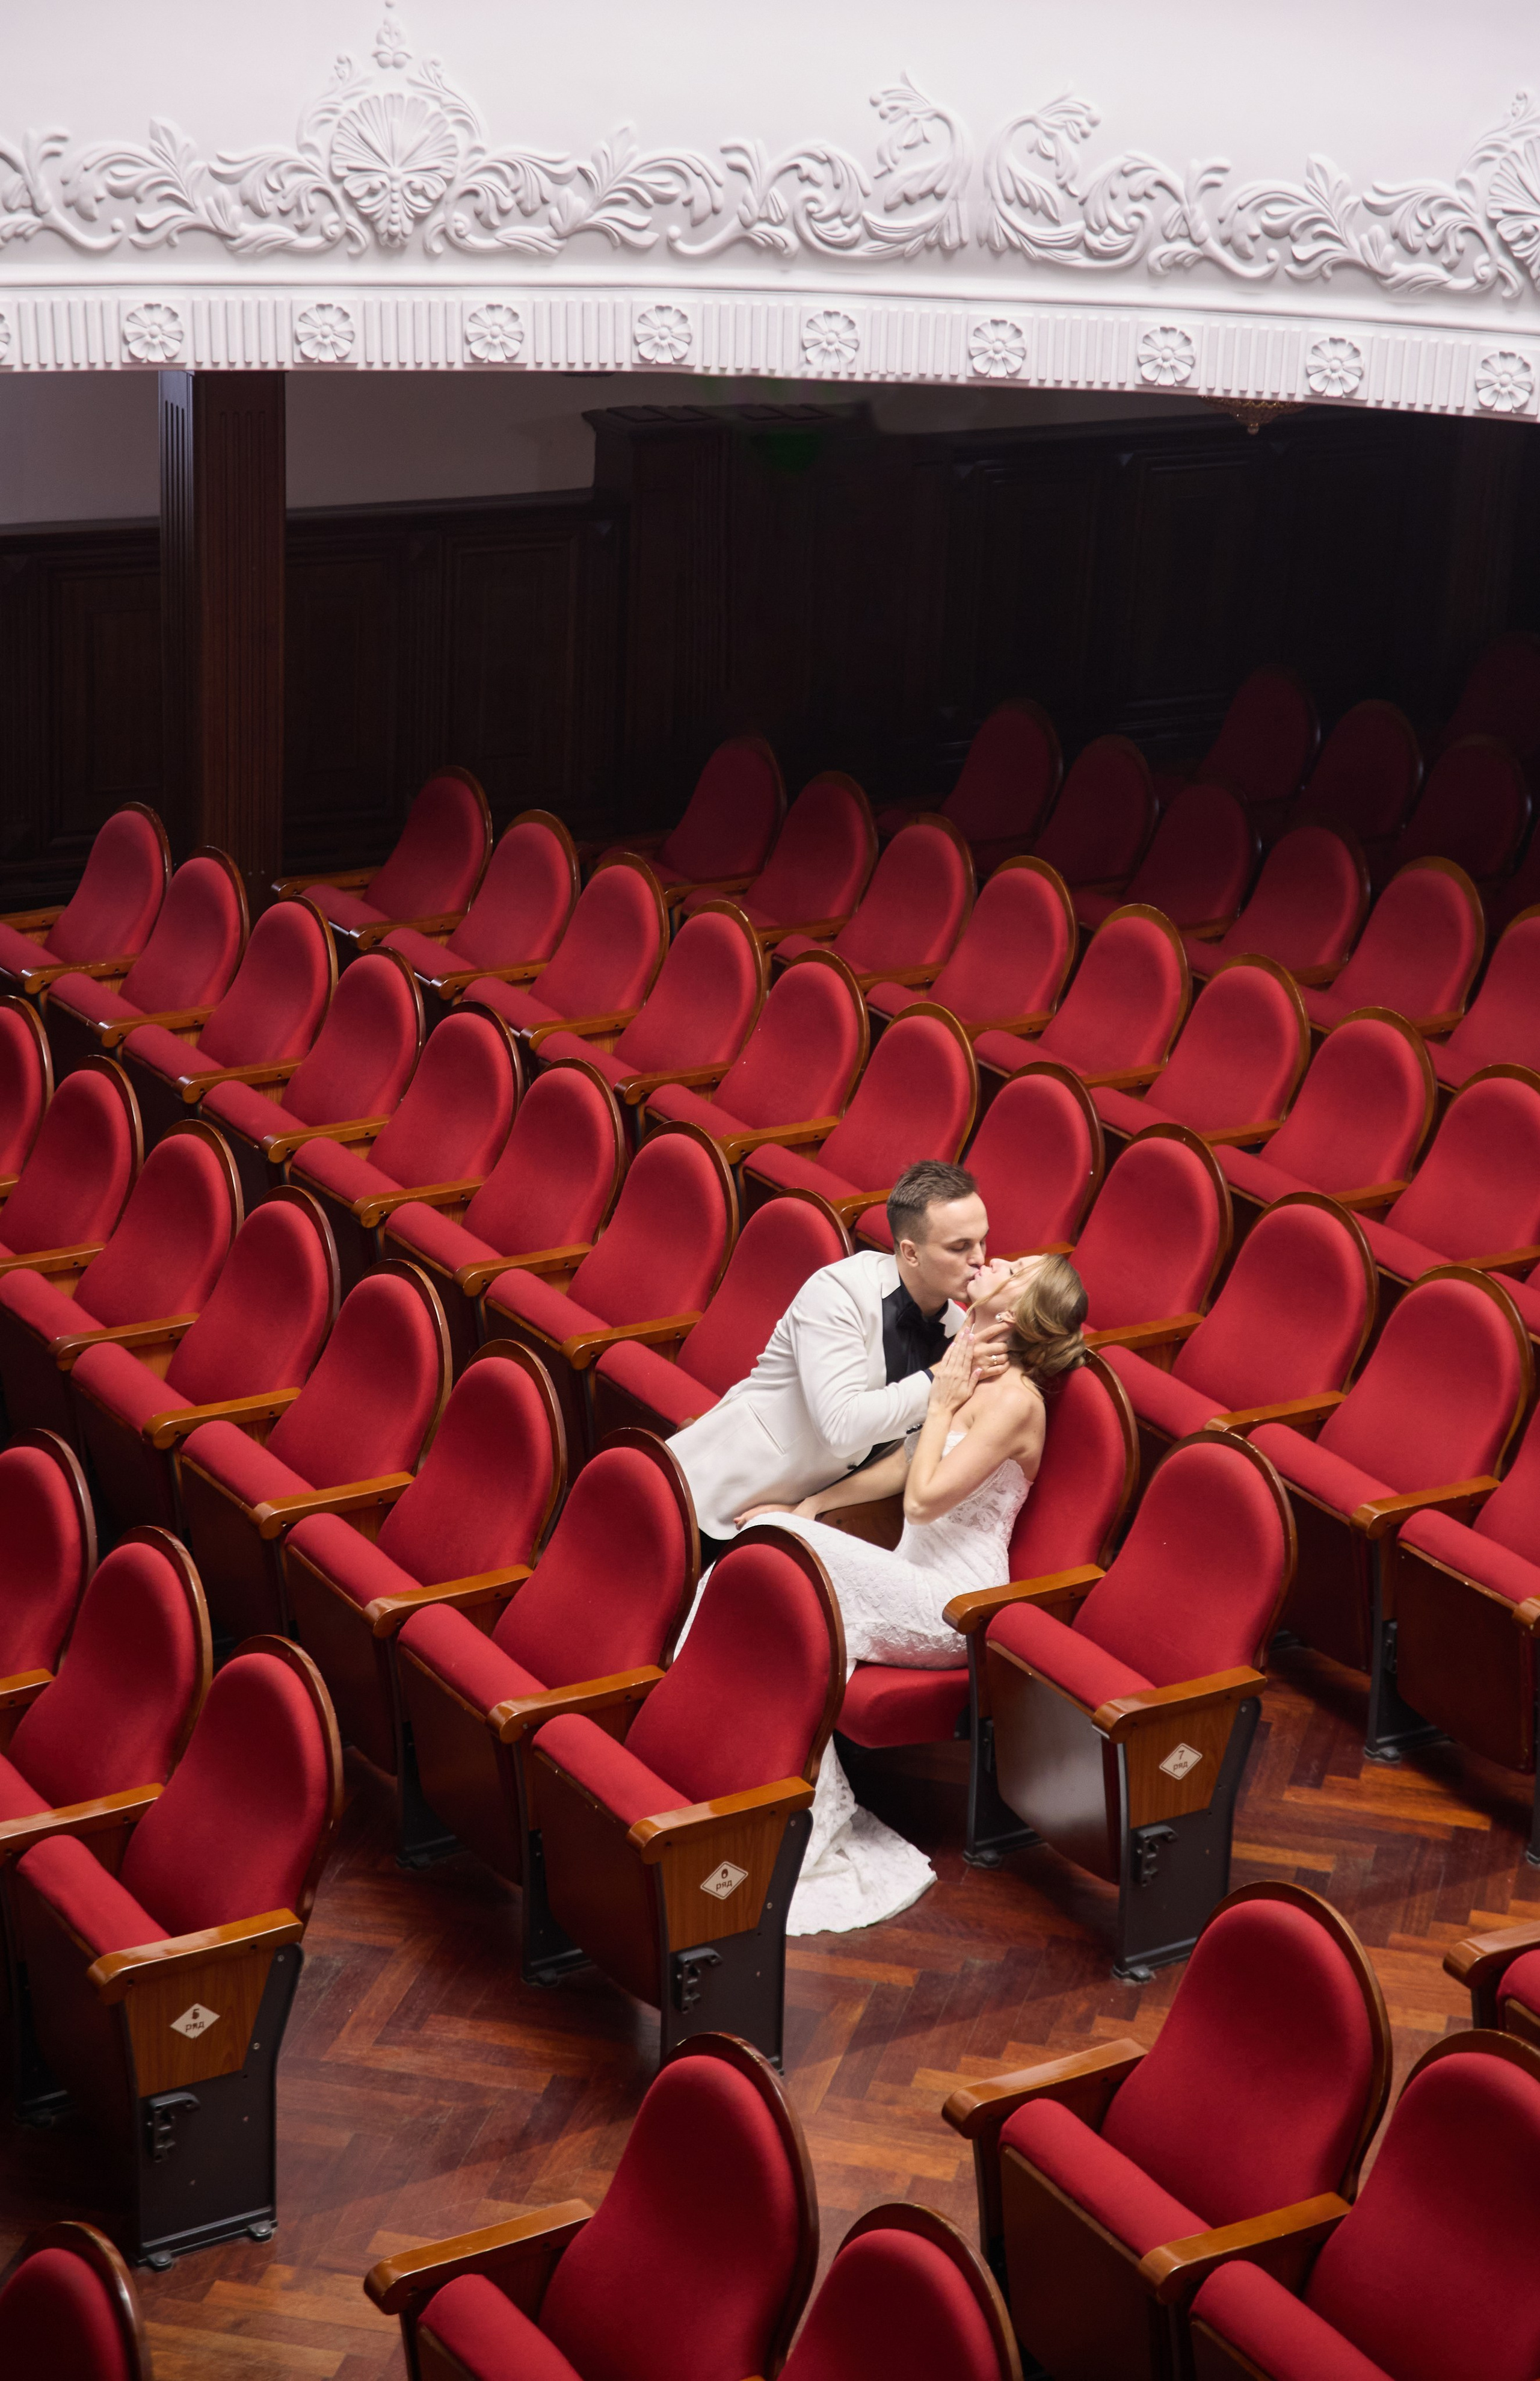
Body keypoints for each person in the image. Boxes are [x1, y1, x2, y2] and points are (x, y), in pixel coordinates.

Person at [741, 1252, 1089, 1935]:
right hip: (908, 1576)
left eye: (1014, 1270)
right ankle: (761, 1801)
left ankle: (796, 1826)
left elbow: (924, 1498)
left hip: (951, 1608)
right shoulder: (973, 1364)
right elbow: (908, 1464)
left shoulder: (1017, 1401)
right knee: (779, 1602)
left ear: (1019, 1313)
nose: (995, 1259)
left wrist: (939, 1400)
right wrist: (815, 1503)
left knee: (773, 1546)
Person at [668, 1160, 1012, 1544]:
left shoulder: (957, 1328)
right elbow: (841, 1429)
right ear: (911, 1252)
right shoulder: (839, 1292)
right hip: (711, 1491)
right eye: (959, 1247)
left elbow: (912, 1452)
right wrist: (942, 1378)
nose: (979, 1258)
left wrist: (812, 1505)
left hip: (802, 1520)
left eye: (982, 1241)